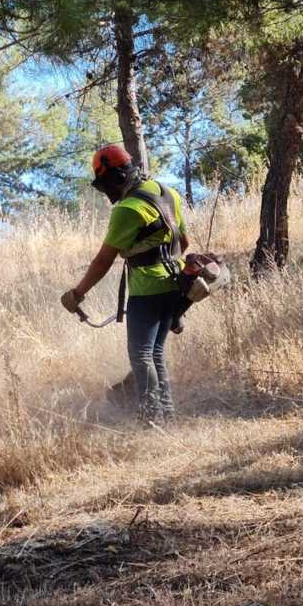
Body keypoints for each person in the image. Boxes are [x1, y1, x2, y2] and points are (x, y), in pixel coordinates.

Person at [60, 145, 189, 425]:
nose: (107, 193)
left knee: (141, 354)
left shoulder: (127, 210)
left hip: (148, 289)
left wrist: (77, 294)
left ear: (116, 177)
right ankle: (166, 416)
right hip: (176, 284)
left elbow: (102, 261)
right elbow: (185, 243)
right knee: (155, 352)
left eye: (105, 185)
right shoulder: (168, 193)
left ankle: (151, 418)